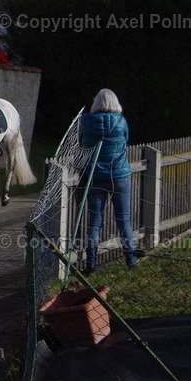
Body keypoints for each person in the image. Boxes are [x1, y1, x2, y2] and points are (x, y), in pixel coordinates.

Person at [79, 88, 138, 273]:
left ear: (96, 102)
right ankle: (131, 260)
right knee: (123, 220)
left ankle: (91, 263)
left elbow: (81, 143)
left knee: (94, 222)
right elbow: (126, 140)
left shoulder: (86, 121)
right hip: (120, 176)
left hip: (95, 177)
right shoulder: (121, 121)